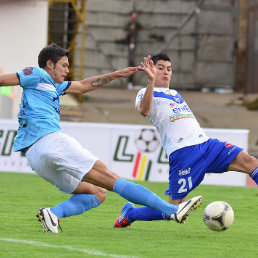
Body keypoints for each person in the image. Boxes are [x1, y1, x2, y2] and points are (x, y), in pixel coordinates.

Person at [0, 44, 203, 233]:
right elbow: (3, 80)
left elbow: (84, 85)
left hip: (35, 158)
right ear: (49, 64)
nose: (67, 70)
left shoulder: (53, 86)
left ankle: (53, 214)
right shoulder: (37, 73)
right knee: (111, 179)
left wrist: (117, 74)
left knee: (97, 193)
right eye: (63, 65)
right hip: (50, 142)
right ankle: (172, 210)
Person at [114, 53, 258, 228]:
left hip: (206, 145)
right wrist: (151, 81)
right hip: (183, 153)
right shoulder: (145, 92)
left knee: (250, 162)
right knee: (173, 209)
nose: (165, 72)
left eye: (169, 69)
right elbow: (144, 111)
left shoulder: (174, 93)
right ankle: (130, 214)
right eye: (160, 68)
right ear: (151, 70)